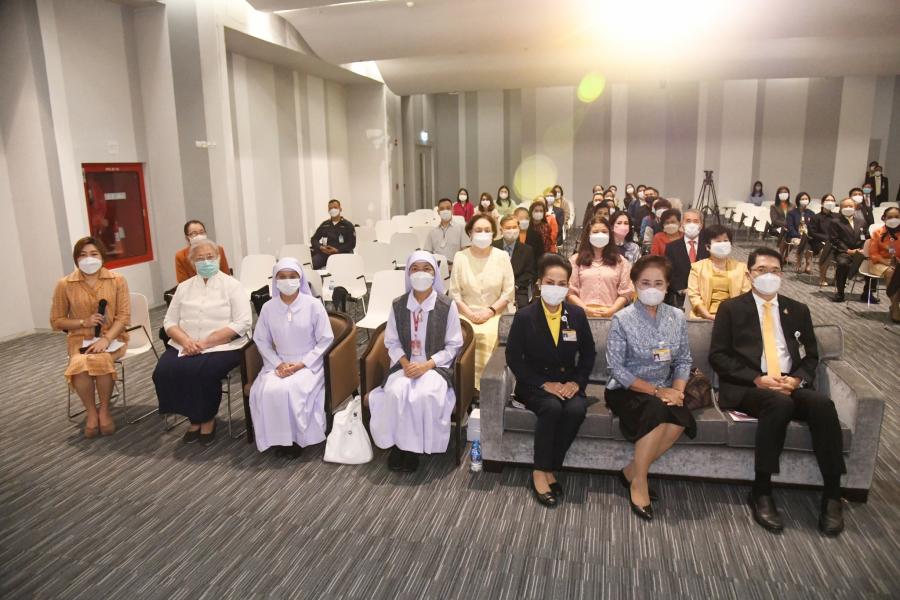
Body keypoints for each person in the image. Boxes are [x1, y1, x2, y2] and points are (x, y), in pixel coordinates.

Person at [709, 247, 846, 536]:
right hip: (750, 387)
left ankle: (833, 494)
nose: (768, 275)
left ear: (782, 275)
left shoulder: (798, 310)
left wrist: (797, 380)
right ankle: (761, 490)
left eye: (774, 270)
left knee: (822, 405)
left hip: (788, 383)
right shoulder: (731, 308)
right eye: (761, 270)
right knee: (779, 405)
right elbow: (718, 356)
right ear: (749, 275)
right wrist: (757, 379)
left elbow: (810, 356)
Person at [604, 255, 694, 521]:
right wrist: (656, 392)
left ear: (667, 286)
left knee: (680, 418)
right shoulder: (622, 319)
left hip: (665, 387)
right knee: (657, 410)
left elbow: (683, 359)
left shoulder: (677, 317)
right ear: (635, 284)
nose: (652, 289)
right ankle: (639, 481)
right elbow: (616, 368)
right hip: (627, 388)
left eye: (658, 283)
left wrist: (677, 391)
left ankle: (631, 471)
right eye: (645, 283)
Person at [506, 254, 596, 506]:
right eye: (550, 282)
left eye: (561, 284)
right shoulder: (525, 316)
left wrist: (576, 383)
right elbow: (513, 358)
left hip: (568, 383)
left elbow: (589, 353)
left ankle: (549, 468)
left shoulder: (576, 315)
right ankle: (539, 470)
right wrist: (544, 384)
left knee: (576, 409)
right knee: (552, 407)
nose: (555, 288)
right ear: (539, 283)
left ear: (568, 287)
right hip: (534, 384)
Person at [369, 251, 464, 472]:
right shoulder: (398, 304)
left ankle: (413, 449)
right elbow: (391, 341)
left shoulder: (446, 305)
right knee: (396, 392)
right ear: (408, 274)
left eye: (426, 269)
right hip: (405, 364)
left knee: (424, 395)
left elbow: (453, 345)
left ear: (435, 274)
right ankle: (398, 445)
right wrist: (405, 363)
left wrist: (426, 365)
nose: (421, 274)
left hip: (435, 367)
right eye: (415, 269)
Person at [153, 238, 253, 445]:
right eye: (200, 258)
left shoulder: (232, 286)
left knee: (202, 373)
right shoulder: (184, 287)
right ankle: (193, 418)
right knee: (164, 371)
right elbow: (169, 321)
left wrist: (207, 343)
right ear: (192, 262)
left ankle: (206, 419)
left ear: (218, 258)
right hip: (186, 344)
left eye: (210, 257)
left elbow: (243, 322)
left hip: (224, 345)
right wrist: (186, 341)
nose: (206, 262)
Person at [249, 259, 334, 457]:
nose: (288, 281)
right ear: (275, 280)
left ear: (300, 278)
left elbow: (325, 339)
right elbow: (260, 340)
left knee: (292, 390)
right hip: (278, 362)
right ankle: (277, 439)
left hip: (309, 363)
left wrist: (302, 363)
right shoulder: (268, 308)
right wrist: (278, 363)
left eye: (292, 276)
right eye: (282, 277)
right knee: (268, 390)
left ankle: (297, 440)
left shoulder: (313, 305)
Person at [51, 237, 131, 438]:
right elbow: (57, 321)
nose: (89, 259)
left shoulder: (117, 280)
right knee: (80, 364)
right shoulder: (65, 284)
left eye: (94, 254)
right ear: (76, 259)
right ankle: (91, 412)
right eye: (83, 255)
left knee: (101, 359)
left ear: (102, 256)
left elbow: (123, 317)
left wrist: (106, 339)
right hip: (79, 339)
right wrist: (83, 322)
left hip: (112, 337)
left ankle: (104, 410)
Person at [449, 214, 515, 389]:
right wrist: (470, 314)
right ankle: (463, 386)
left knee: (487, 335)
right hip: (465, 312)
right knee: (464, 335)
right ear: (470, 233)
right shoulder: (460, 257)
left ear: (494, 234)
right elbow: (454, 293)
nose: (483, 234)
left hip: (495, 313)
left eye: (487, 230)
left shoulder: (502, 256)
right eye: (478, 230)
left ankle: (487, 387)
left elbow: (508, 292)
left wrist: (490, 312)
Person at [567, 215, 633, 318]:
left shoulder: (621, 262)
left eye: (604, 231)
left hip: (612, 315)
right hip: (582, 315)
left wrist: (612, 310)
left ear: (610, 235)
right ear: (588, 235)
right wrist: (585, 310)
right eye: (595, 232)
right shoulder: (575, 260)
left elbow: (626, 292)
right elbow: (570, 292)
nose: (600, 235)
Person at [687, 225, 750, 320]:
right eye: (718, 241)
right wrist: (708, 316)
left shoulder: (741, 267)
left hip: (733, 316)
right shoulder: (697, 267)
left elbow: (746, 295)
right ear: (707, 247)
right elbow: (694, 296)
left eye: (725, 241)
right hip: (704, 317)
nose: (723, 244)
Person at [663, 208, 706, 308]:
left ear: (701, 225)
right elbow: (668, 272)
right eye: (688, 221)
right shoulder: (671, 247)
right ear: (682, 224)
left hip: (704, 295)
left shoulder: (708, 246)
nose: (692, 224)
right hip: (679, 297)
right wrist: (681, 290)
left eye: (696, 221)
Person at [829, 197, 869, 303]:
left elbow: (865, 237)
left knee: (872, 262)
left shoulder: (862, 221)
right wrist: (848, 250)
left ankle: (867, 293)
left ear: (855, 207)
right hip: (843, 252)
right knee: (842, 263)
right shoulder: (835, 222)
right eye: (845, 206)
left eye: (850, 206)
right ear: (840, 208)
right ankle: (840, 293)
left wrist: (862, 249)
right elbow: (834, 240)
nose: (848, 208)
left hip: (860, 251)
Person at [495, 215, 536, 309]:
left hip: (518, 289)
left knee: (522, 308)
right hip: (496, 288)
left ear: (519, 228)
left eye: (514, 227)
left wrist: (515, 286)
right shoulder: (493, 247)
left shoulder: (527, 250)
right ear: (501, 230)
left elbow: (529, 273)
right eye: (508, 228)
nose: (512, 230)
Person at [868, 206, 900, 319]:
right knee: (892, 272)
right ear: (884, 218)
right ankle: (895, 306)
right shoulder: (877, 232)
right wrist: (887, 263)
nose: (893, 219)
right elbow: (873, 253)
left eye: (896, 217)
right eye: (890, 217)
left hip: (898, 263)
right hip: (880, 263)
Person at [310, 199, 356, 270]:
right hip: (325, 253)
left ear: (340, 209)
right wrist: (320, 247)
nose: (333, 210)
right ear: (328, 210)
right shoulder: (325, 225)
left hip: (342, 254)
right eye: (330, 208)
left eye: (335, 207)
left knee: (340, 268)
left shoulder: (348, 225)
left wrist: (337, 250)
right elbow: (314, 239)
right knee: (312, 263)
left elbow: (351, 243)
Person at [424, 198, 471, 264]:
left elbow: (466, 251)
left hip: (455, 266)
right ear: (438, 212)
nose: (445, 211)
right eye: (442, 209)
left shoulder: (461, 228)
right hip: (437, 267)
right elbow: (427, 253)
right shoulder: (432, 232)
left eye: (448, 208)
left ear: (452, 210)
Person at [809, 195, 837, 287]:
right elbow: (812, 232)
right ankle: (822, 277)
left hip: (834, 242)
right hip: (819, 242)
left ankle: (837, 278)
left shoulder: (837, 216)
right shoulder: (816, 217)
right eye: (828, 200)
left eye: (832, 200)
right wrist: (827, 239)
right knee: (826, 252)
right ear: (822, 202)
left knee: (842, 254)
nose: (830, 202)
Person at [785, 192, 816, 273]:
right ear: (798, 200)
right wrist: (799, 236)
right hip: (795, 236)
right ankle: (799, 262)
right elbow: (790, 227)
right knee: (802, 242)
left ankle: (808, 263)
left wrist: (809, 236)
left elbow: (814, 227)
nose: (805, 200)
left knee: (809, 242)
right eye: (802, 199)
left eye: (806, 199)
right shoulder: (791, 213)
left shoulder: (811, 213)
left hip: (808, 236)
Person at [515, 206, 544, 271]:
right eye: (521, 218)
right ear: (515, 219)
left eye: (526, 218)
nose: (524, 220)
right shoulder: (512, 234)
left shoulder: (536, 235)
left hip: (531, 270)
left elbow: (540, 256)